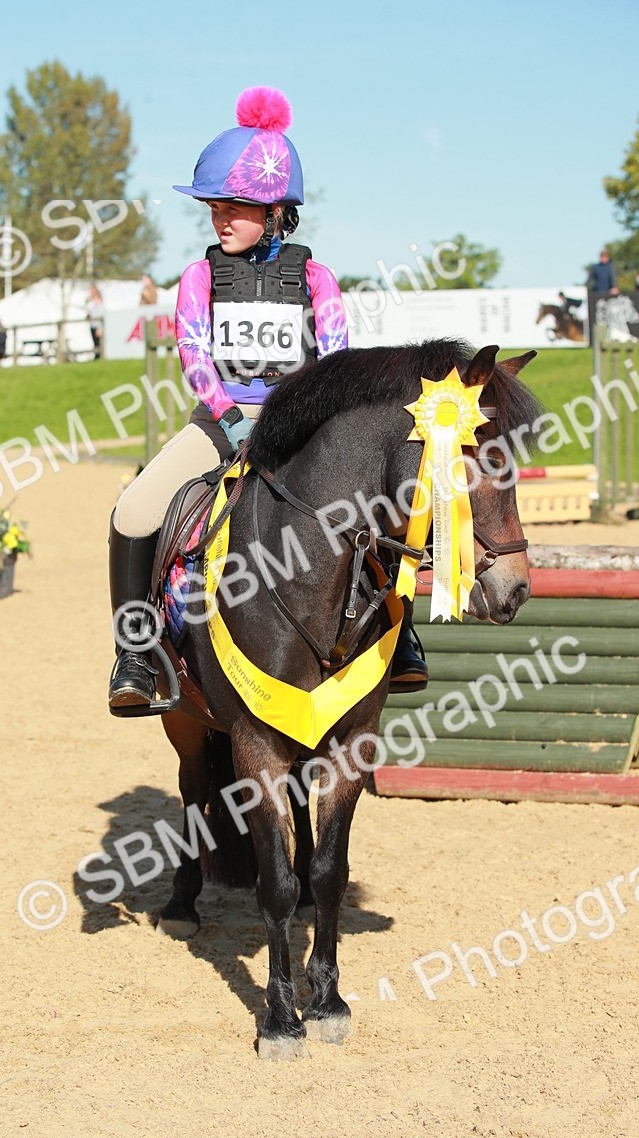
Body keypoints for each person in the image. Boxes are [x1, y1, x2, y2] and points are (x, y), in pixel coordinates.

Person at [107, 86, 428, 717]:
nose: (219, 216)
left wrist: (310, 422)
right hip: (219, 422)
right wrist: (228, 420)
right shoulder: (199, 278)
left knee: (388, 502)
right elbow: (195, 356)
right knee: (132, 511)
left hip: (304, 425)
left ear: (276, 209)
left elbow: (335, 361)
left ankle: (403, 633)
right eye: (214, 205)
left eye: (235, 205)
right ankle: (136, 654)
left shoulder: (316, 278)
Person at [86, 284, 104, 358]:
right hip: (92, 325)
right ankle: (97, 356)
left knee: (99, 344)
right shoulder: (90, 300)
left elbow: (102, 315)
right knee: (95, 343)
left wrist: (100, 328)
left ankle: (99, 356)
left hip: (98, 326)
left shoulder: (99, 302)